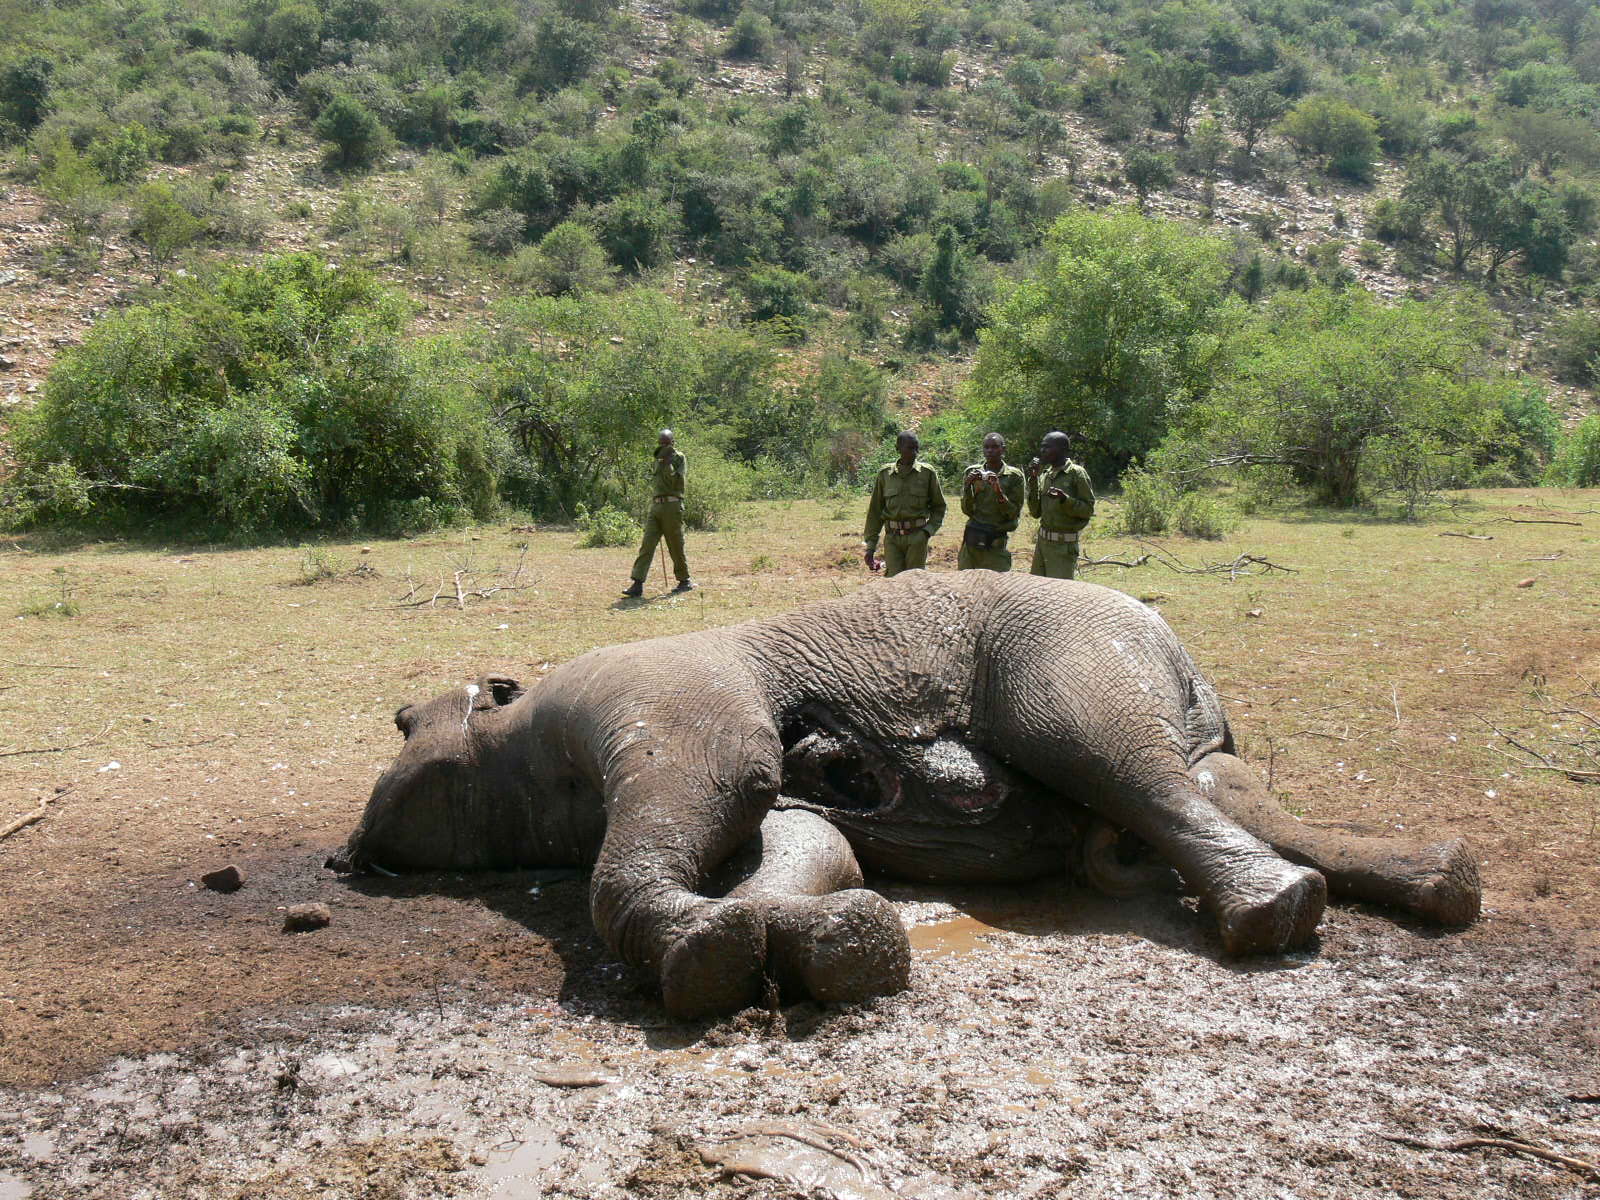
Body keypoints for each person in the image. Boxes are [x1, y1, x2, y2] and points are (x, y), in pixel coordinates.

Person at [862, 431, 946, 578]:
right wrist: (870, 547)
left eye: (916, 448)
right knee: (894, 583)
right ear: (898, 448)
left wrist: (927, 532)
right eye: (910, 448)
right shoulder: (885, 475)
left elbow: (939, 506)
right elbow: (875, 512)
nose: (914, 452)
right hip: (892, 539)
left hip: (917, 538)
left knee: (915, 582)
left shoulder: (927, 473)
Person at [622, 430, 694, 598]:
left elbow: (675, 481)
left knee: (675, 545)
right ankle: (637, 583)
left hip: (672, 506)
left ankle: (684, 580)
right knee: (647, 545)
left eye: (666, 443)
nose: (663, 446)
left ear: (673, 443)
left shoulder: (679, 458)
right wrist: (661, 461)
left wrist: (668, 464)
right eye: (661, 443)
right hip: (656, 506)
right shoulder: (656, 459)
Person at [1026, 430, 1095, 579]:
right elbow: (1035, 512)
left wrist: (1065, 500)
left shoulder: (1077, 474)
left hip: (1063, 547)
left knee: (1059, 595)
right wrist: (1033, 479)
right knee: (1037, 592)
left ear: (1062, 449)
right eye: (1042, 447)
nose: (1042, 451)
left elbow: (1088, 510)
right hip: (1043, 545)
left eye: (1047, 447)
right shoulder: (1046, 474)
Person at [957, 432, 1026, 572]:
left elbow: (1013, 513)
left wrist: (998, 491)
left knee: (997, 590)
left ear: (1003, 449)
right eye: (986, 447)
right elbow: (967, 510)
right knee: (965, 588)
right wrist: (967, 486)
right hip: (972, 544)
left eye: (994, 447)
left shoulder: (1014, 476)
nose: (990, 451)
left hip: (995, 544)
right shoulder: (972, 472)